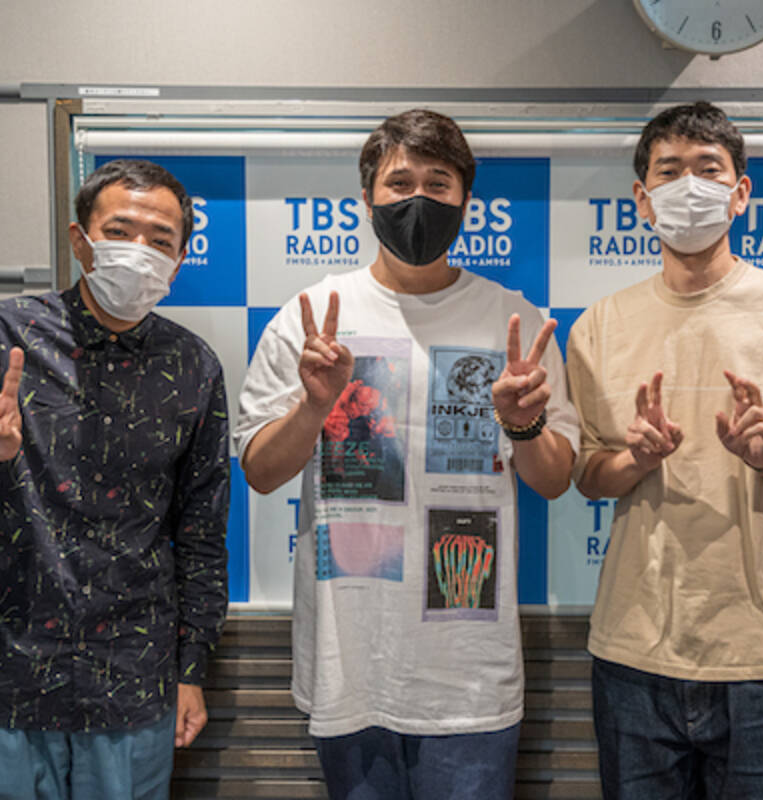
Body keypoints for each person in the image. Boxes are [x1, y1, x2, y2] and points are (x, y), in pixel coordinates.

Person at [235, 108, 578, 800]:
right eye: (399, 183)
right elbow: (261, 472)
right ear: (366, 198)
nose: (418, 199)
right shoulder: (313, 316)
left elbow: (555, 479)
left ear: (465, 201)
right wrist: (314, 405)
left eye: (438, 183)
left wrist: (522, 427)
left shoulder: (514, 321)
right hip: (349, 665)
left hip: (470, 676)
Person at [0, 159, 231, 799]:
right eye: (120, 232)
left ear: (180, 260)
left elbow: (201, 534)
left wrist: (192, 669)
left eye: (160, 240)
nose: (139, 250)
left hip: (132, 681)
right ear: (81, 241)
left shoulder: (193, 366)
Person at [565, 101, 763, 798]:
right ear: (642, 199)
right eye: (669, 171)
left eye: (708, 169)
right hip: (635, 646)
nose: (689, 185)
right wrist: (636, 460)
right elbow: (589, 475)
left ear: (740, 192)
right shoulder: (599, 324)